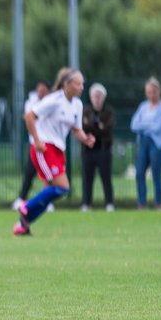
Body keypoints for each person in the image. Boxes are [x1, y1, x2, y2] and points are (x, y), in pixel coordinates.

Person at [14, 67, 95, 236]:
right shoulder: (54, 100)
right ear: (66, 85)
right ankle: (26, 207)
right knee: (62, 187)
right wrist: (37, 141)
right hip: (44, 148)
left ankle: (23, 224)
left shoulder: (78, 105)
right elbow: (29, 116)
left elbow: (76, 130)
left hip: (58, 150)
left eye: (82, 84)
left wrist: (86, 138)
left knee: (53, 190)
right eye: (78, 84)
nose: (81, 87)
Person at [130, 77, 161, 209]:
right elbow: (134, 125)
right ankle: (142, 203)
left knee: (156, 174)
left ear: (158, 91)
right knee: (139, 173)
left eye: (153, 91)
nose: (151, 94)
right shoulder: (143, 107)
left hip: (157, 144)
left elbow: (160, 127)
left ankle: (158, 203)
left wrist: (144, 126)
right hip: (143, 143)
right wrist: (149, 125)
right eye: (148, 92)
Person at [13, 80, 51, 213]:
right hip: (35, 144)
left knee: (47, 174)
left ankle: (47, 201)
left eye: (43, 89)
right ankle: (22, 198)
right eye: (38, 89)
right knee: (30, 172)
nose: (40, 91)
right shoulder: (31, 102)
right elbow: (30, 117)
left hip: (48, 144)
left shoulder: (51, 102)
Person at [79, 82, 115, 212]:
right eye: (95, 96)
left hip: (103, 149)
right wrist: (97, 127)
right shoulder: (85, 110)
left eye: (99, 96)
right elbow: (83, 128)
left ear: (103, 98)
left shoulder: (109, 111)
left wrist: (93, 127)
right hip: (88, 150)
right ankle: (86, 203)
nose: (97, 99)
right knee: (87, 178)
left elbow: (107, 129)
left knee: (106, 178)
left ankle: (109, 203)